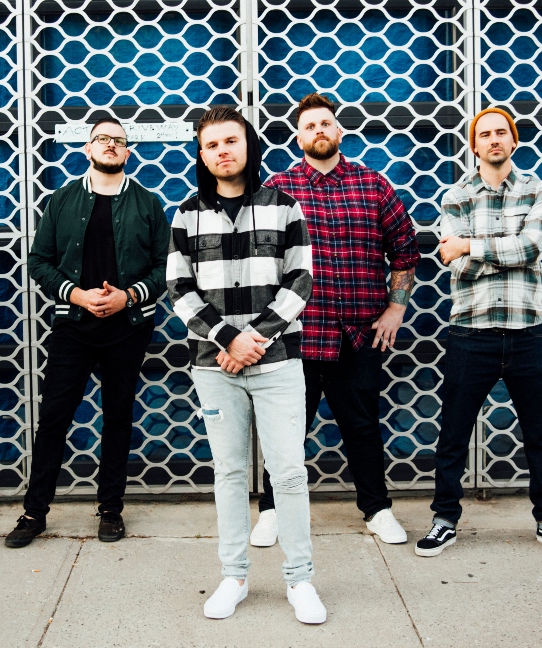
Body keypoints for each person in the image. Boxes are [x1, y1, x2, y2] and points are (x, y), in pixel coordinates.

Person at [167, 107, 325, 623]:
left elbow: (300, 279)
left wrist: (253, 338)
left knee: (289, 472)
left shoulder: (284, 207)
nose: (222, 151)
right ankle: (233, 577)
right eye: (212, 145)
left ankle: (300, 580)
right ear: (202, 154)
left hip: (278, 363)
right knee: (230, 473)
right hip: (214, 368)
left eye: (230, 141)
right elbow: (178, 287)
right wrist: (227, 338)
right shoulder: (187, 214)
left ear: (248, 146)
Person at [415, 107, 542, 559]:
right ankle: (444, 520)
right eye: (485, 134)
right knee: (453, 434)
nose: (493, 139)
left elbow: (533, 247)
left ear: (513, 140)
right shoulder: (455, 196)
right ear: (473, 146)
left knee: (539, 434)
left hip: (527, 332)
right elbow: (456, 263)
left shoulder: (537, 191)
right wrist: (498, 253)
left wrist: (471, 246)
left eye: (501, 133)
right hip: (471, 333)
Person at [253, 93, 420, 547]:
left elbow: (405, 250)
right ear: (298, 137)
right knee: (286, 433)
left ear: (339, 131)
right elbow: (260, 263)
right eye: (309, 126)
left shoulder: (373, 185)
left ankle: (377, 510)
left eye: (325, 123)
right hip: (297, 337)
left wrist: (396, 307)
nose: (319, 131)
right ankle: (271, 510)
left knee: (363, 428)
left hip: (357, 336)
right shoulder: (277, 189)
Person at [5, 118, 170, 548]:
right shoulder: (62, 200)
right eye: (102, 139)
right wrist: (77, 295)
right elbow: (38, 261)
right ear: (88, 148)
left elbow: (165, 267)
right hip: (73, 326)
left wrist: (128, 297)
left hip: (127, 327)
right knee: (54, 417)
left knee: (117, 417)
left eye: (118, 140)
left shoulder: (148, 203)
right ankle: (34, 512)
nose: (110, 145)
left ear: (128, 151)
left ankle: (110, 509)